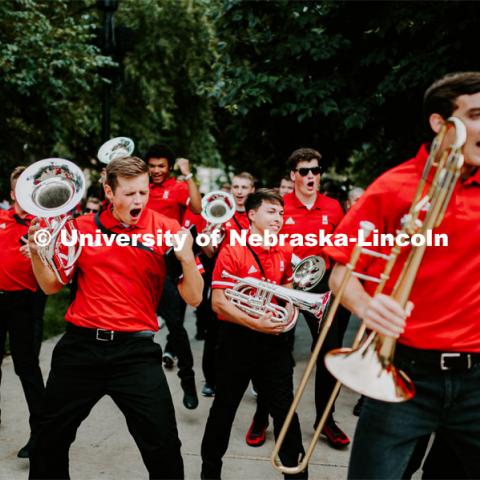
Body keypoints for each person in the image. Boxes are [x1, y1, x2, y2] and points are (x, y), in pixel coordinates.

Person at [325, 71, 480, 479]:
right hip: (404, 369)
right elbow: (341, 271)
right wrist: (366, 306)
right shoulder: (393, 187)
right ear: (440, 123)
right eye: (477, 114)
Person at [28, 155, 203, 479]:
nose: (139, 200)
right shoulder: (81, 227)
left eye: (143, 192)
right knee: (47, 442)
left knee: (164, 447)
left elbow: (194, 296)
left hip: (135, 353)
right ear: (108, 192)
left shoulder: (168, 229)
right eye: (129, 193)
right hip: (81, 348)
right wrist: (39, 254)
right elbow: (51, 286)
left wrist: (188, 258)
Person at [245, 148, 350, 449]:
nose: (310, 177)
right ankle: (263, 415)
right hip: (285, 284)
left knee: (329, 355)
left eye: (315, 171)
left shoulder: (332, 206)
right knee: (272, 352)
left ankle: (325, 420)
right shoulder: (278, 206)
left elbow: (342, 246)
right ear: (293, 175)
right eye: (303, 171)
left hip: (322, 287)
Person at [201, 189, 306, 480]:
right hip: (237, 341)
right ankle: (209, 474)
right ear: (252, 215)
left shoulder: (284, 249)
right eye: (271, 212)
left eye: (282, 213)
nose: (279, 218)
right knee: (224, 410)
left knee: (286, 413)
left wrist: (288, 311)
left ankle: (296, 475)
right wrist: (254, 322)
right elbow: (219, 302)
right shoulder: (233, 249)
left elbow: (286, 292)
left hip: (273, 341)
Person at [145, 143, 202, 409]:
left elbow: (198, 208)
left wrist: (187, 175)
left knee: (176, 327)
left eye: (161, 166)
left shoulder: (177, 187)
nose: (156, 171)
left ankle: (188, 383)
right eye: (152, 165)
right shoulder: (141, 187)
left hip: (168, 264)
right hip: (140, 263)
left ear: (168, 168)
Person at [0, 166, 46, 459]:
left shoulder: (42, 226)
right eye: (20, 189)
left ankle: (40, 434)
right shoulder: (1, 218)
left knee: (26, 367)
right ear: (13, 192)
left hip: (24, 303)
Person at [200, 171, 256, 398]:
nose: (240, 191)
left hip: (250, 283)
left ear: (252, 190)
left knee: (249, 334)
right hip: (223, 281)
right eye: (236, 187)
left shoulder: (255, 216)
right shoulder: (220, 216)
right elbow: (210, 251)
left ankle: (252, 380)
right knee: (214, 334)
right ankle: (211, 380)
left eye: (244, 187)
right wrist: (207, 238)